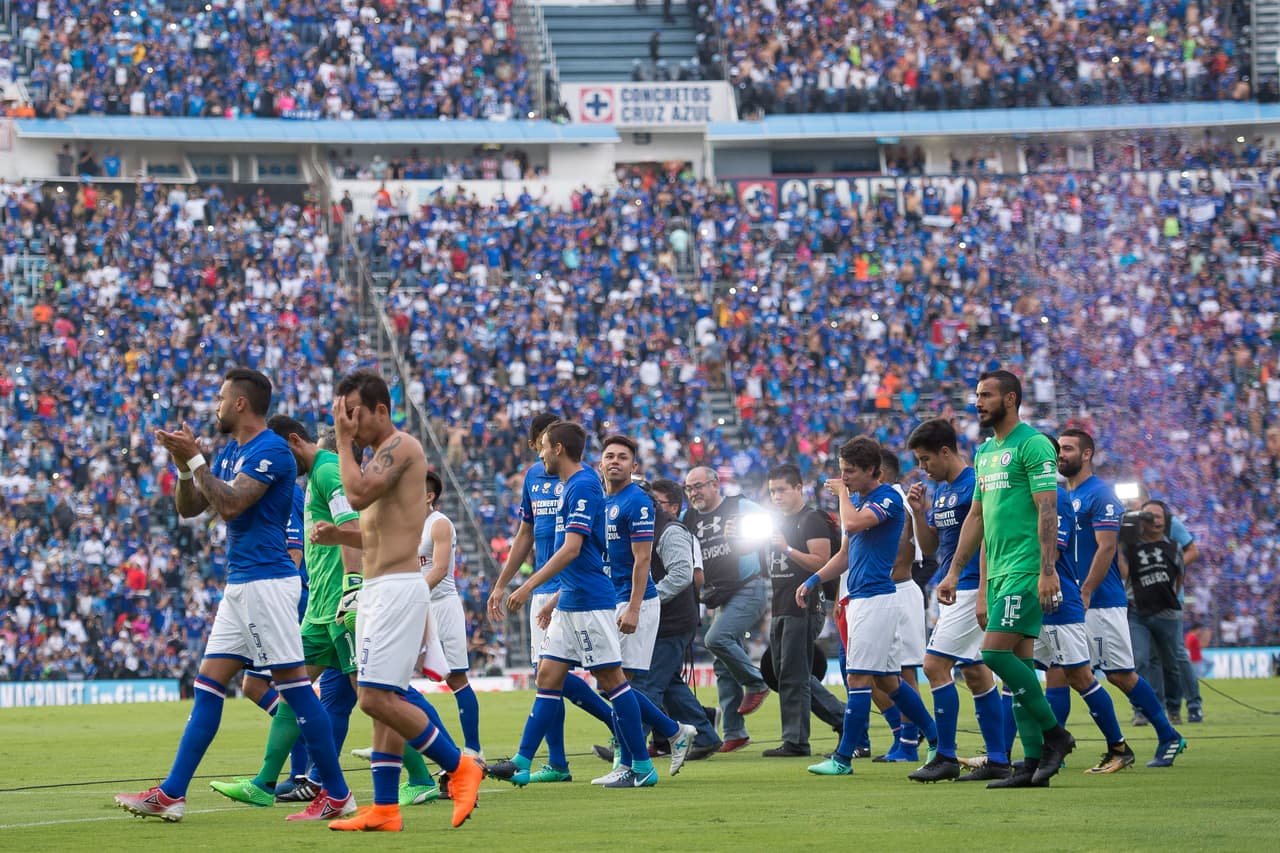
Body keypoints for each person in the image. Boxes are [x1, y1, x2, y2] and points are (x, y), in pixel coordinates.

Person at [115, 368, 355, 822]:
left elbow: (230, 505)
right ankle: (172, 794)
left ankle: (338, 794)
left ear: (241, 404)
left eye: (222, 397)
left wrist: (199, 462)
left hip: (267, 582)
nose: (217, 405)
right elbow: (191, 509)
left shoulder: (272, 451)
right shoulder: (230, 452)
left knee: (298, 692)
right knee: (208, 686)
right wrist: (188, 466)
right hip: (240, 583)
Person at [326, 370, 482, 831]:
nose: (350, 422)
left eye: (354, 413)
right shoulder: (380, 459)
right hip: (378, 588)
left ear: (380, 409)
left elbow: (354, 493)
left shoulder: (400, 447)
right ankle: (386, 808)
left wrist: (341, 441)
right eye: (343, 415)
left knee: (373, 699)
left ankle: (460, 766)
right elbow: (377, 532)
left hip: (397, 589)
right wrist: (340, 536)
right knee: (384, 698)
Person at [490, 421, 658, 788]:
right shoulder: (571, 485)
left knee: (613, 681)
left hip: (590, 601)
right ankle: (521, 760)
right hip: (570, 599)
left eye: (545, 447)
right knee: (547, 677)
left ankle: (642, 767)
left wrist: (526, 586)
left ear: (559, 449)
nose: (541, 454)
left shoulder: (582, 485)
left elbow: (572, 549)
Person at [210, 418, 363, 808]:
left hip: (337, 607)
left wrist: (354, 584)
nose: (274, 460)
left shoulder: (327, 471)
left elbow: (350, 527)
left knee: (375, 698)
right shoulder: (312, 479)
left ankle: (438, 768)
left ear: (294, 443)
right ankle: (265, 782)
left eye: (277, 451)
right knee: (292, 691)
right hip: (318, 611)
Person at [941, 369, 1075, 789]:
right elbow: (977, 518)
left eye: (986, 396)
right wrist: (955, 572)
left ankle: (1056, 736)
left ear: (1011, 399)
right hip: (998, 572)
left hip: (1027, 569)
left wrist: (1048, 570)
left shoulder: (1033, 444)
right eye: (976, 395)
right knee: (1016, 669)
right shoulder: (984, 452)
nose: (978, 402)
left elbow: (1048, 510)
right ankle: (1030, 765)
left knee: (994, 655)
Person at [797, 436, 938, 778]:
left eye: (851, 471)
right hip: (861, 598)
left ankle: (843, 758)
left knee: (858, 677)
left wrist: (844, 496)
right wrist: (813, 580)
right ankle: (937, 741)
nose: (844, 478)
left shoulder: (888, 498)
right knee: (889, 682)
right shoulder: (860, 500)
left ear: (873, 471)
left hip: (875, 599)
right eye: (842, 471)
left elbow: (853, 524)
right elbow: (845, 556)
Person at [1058, 428, 1186, 769]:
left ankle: (1167, 734)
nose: (1061, 454)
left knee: (1119, 675)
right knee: (1062, 672)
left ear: (1087, 454)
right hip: (1070, 600)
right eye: (1059, 448)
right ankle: (1049, 750)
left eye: (1068, 448)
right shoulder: (1060, 495)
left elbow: (1107, 548)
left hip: (1099, 601)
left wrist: (1085, 590)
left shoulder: (1101, 495)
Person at [903, 418, 1010, 783]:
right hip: (951, 584)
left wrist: (982, 589)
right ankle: (998, 758)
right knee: (976, 673)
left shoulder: (974, 486)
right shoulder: (944, 492)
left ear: (945, 451)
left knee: (933, 665)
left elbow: (989, 539)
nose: (923, 468)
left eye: (925, 459)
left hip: (970, 585)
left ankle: (945, 754)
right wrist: (919, 514)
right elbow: (932, 547)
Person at [586, 435, 697, 782]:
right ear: (600, 464)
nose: (615, 461)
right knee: (615, 685)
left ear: (634, 466)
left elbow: (643, 559)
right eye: (609, 456)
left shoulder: (638, 501)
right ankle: (673, 732)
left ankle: (631, 763)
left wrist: (633, 608)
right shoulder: (604, 503)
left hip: (637, 601)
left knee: (619, 684)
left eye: (623, 457)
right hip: (611, 598)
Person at [1033, 438, 1135, 775]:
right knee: (1040, 674)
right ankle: (1018, 754)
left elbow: (1055, 552)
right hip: (1034, 599)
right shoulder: (1033, 497)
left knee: (1080, 676)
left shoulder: (1058, 499)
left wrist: (1056, 578)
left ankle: (1119, 747)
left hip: (1059, 601)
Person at [682, 466, 771, 753]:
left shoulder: (740, 506)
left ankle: (757, 683)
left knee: (715, 639)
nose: (694, 492)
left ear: (715, 484)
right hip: (718, 596)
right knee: (722, 663)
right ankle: (735, 732)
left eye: (699, 486)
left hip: (748, 586)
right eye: (689, 488)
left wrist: (744, 539)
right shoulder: (689, 518)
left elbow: (771, 530)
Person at [630, 477, 721, 759]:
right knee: (667, 683)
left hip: (672, 622)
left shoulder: (669, 531)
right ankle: (705, 735)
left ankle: (628, 748)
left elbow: (683, 576)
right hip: (660, 621)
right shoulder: (643, 526)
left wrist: (645, 602)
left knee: (647, 685)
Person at [762, 463, 845, 758]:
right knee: (786, 673)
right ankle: (844, 719)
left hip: (805, 604)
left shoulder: (811, 520)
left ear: (799, 488)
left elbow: (823, 563)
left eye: (782, 490)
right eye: (772, 491)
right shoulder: (777, 524)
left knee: (794, 675)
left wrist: (786, 549)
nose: (776, 496)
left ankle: (797, 740)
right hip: (782, 603)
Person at [419, 470, 483, 763]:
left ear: (429, 496)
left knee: (456, 677)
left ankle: (473, 749)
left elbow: (440, 569)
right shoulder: (403, 525)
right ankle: (392, 742)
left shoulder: (439, 523)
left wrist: (409, 594)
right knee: (392, 678)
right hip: (415, 607)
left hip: (441, 606)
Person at [873, 449, 929, 763]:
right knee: (880, 674)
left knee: (904, 673)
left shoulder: (896, 504)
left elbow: (896, 557)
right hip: (884, 594)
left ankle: (912, 742)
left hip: (898, 591)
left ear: (877, 472)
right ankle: (905, 737)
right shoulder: (883, 502)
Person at [1120, 500, 1191, 746]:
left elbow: (1180, 576)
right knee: (1139, 661)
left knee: (1171, 665)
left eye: (1159, 515)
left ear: (1166, 520)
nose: (1155, 520)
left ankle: (1173, 708)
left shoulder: (1175, 546)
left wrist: (1169, 599)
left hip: (1167, 613)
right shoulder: (1130, 547)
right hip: (1137, 612)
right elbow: (1123, 574)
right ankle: (1141, 711)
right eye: (1149, 515)